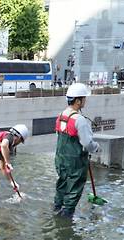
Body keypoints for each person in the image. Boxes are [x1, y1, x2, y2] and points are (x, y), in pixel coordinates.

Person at [53, 83, 100, 218]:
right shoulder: (79, 120)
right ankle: (66, 218)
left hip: (60, 159)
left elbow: (59, 135)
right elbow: (86, 143)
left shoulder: (61, 116)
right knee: (74, 189)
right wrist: (96, 147)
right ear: (78, 101)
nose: (85, 101)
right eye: (84, 98)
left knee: (62, 183)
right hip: (75, 161)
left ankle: (57, 209)